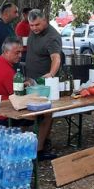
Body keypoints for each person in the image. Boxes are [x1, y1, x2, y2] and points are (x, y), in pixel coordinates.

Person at [22, 10, 61, 160]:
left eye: (37, 24)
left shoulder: (52, 37)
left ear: (45, 20)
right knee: (27, 113)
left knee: (46, 115)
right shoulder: (33, 32)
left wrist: (51, 74)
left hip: (43, 84)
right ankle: (29, 144)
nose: (34, 28)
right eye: (31, 25)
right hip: (30, 80)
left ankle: (39, 149)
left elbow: (56, 58)